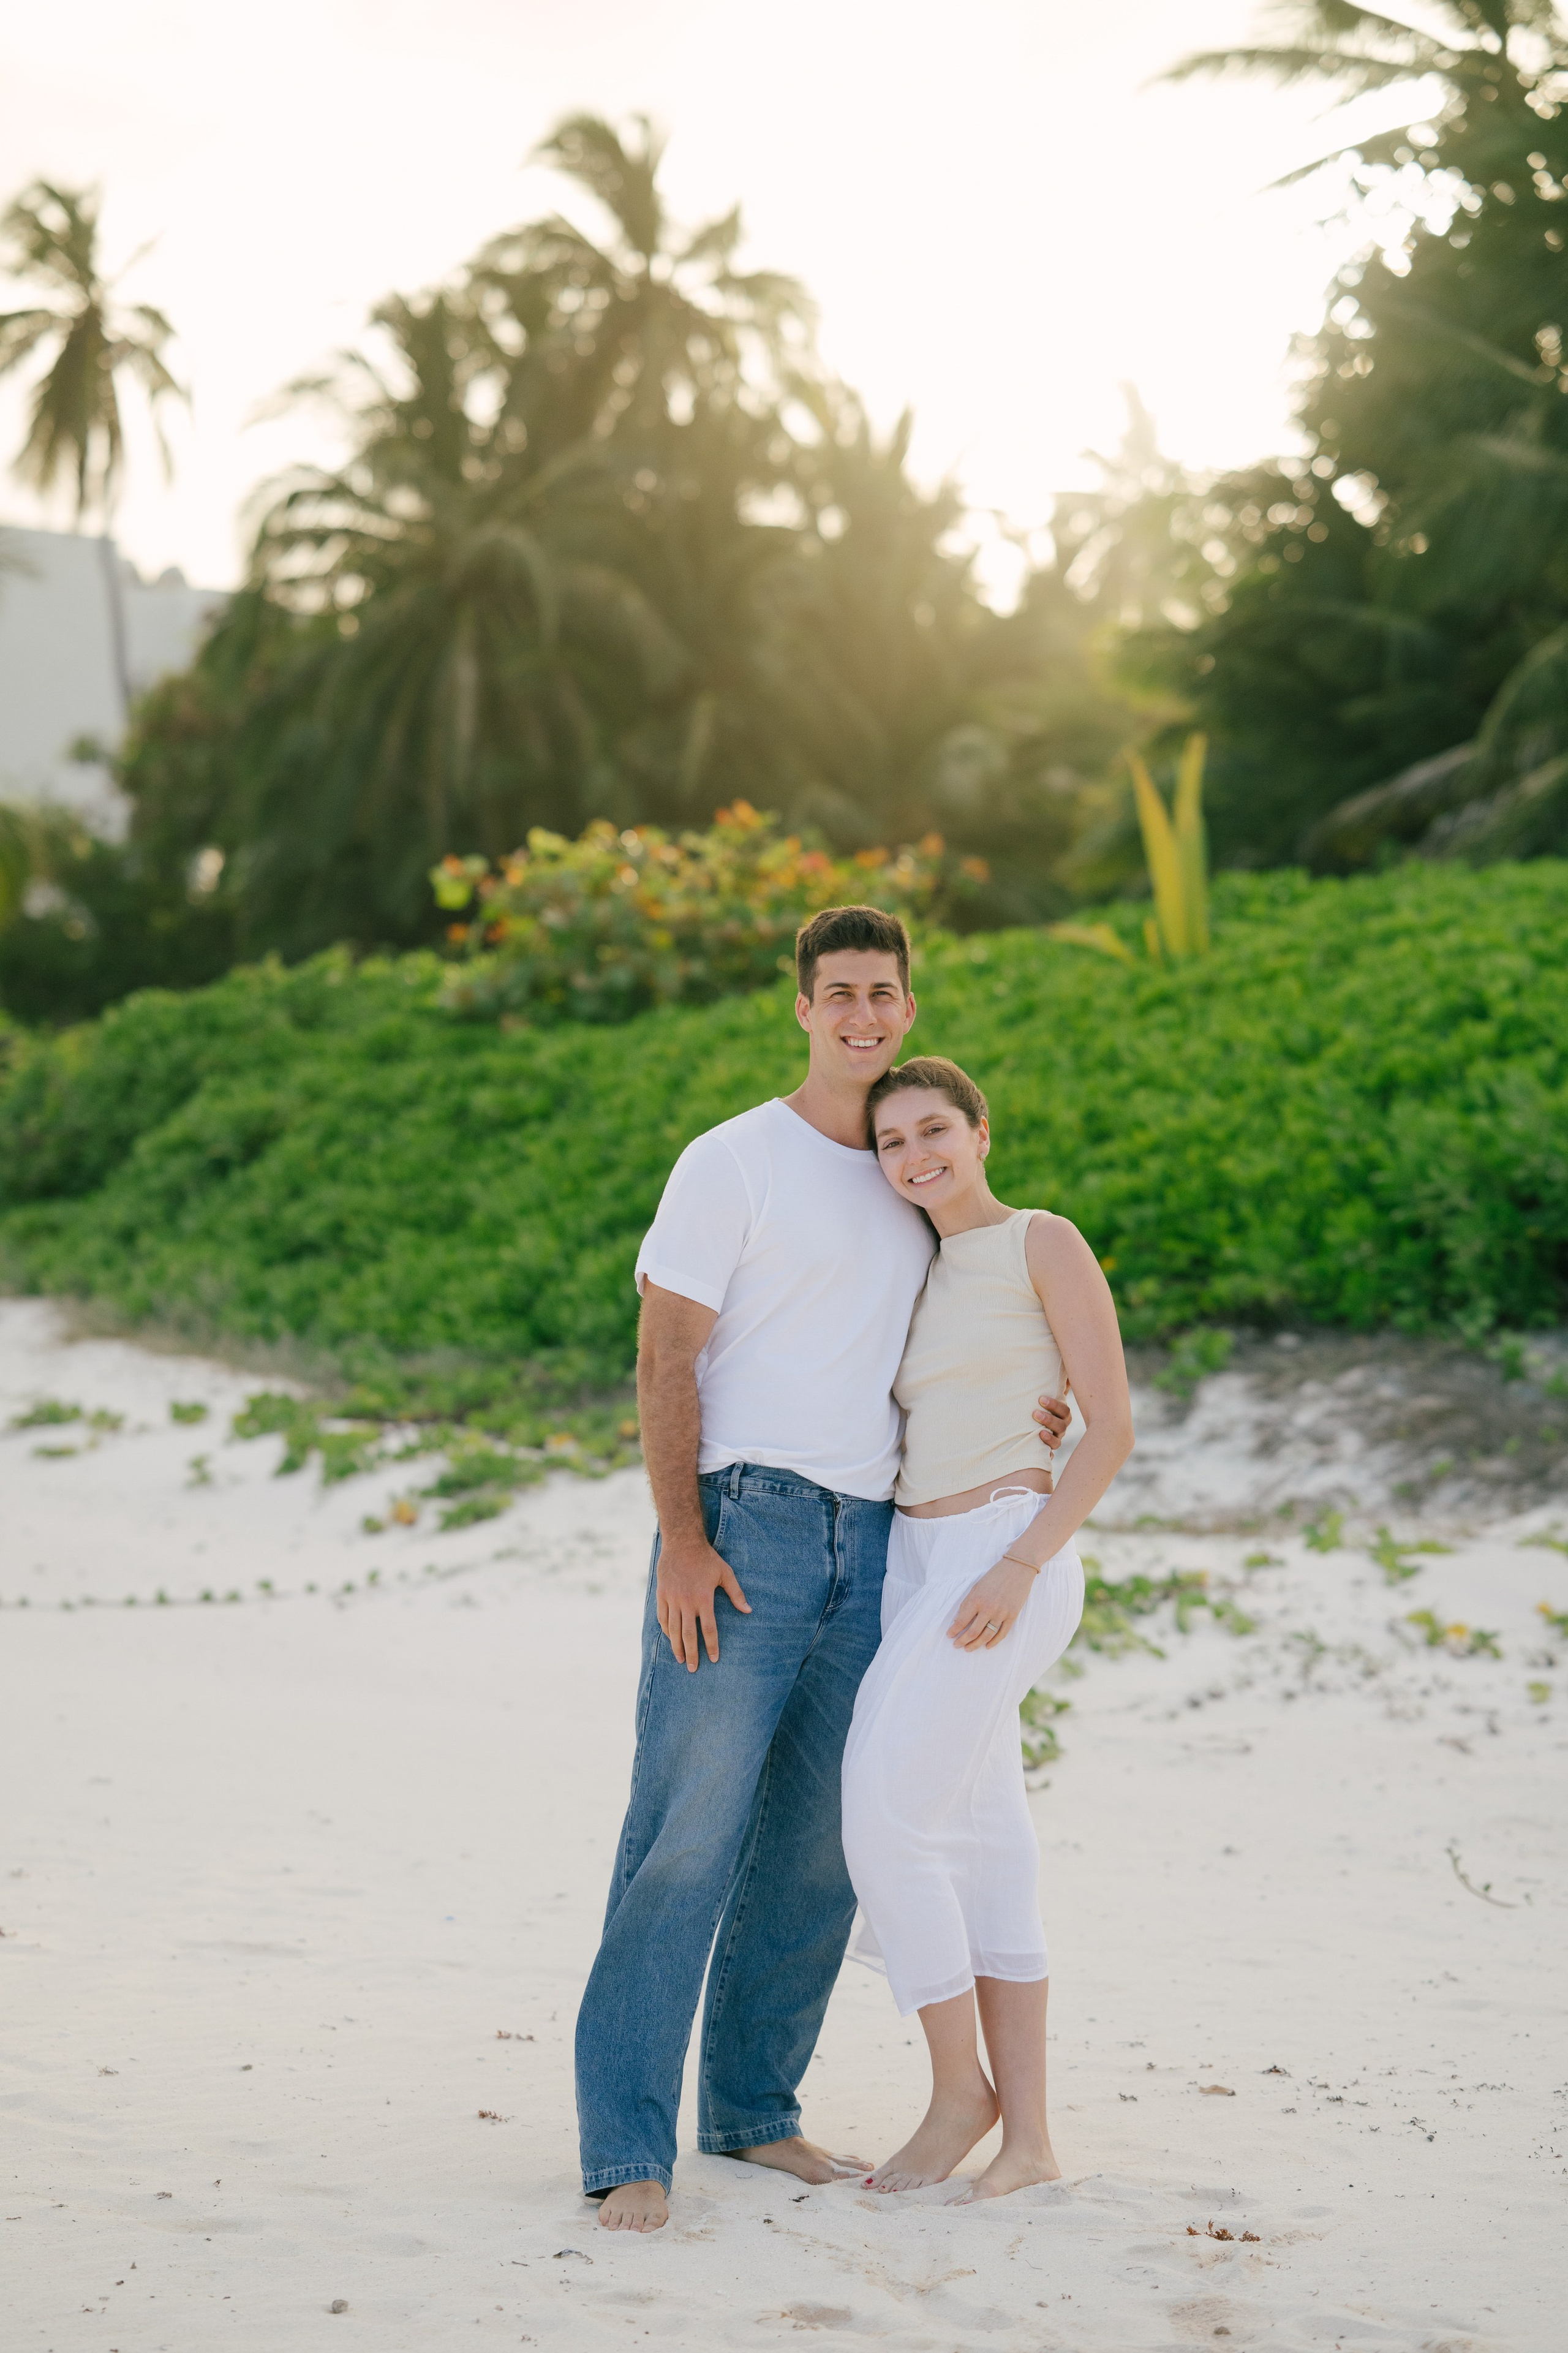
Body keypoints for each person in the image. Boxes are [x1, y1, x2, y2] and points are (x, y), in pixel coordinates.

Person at [574, 906, 1071, 2234]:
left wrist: (1043, 1428)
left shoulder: (914, 1169)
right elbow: (666, 1353)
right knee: (686, 1833)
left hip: (887, 1542)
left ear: (908, 1008)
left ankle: (752, 2109)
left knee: (820, 1846)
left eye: (882, 992)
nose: (861, 1012)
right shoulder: (730, 1159)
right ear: (799, 1006)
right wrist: (682, 1536)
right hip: (746, 1528)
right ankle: (627, 2139)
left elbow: (984, 1339)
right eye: (837, 991)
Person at [840, 1054, 1134, 2202]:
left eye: (933, 1130)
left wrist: (1022, 1559)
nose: (915, 1155)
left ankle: (960, 2093)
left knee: (883, 1809)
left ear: (981, 1131)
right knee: (987, 1834)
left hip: (1003, 1551)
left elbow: (1107, 1426)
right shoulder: (916, 1267)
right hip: (916, 1563)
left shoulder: (1041, 1240)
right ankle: (1032, 2143)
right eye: (893, 1142)